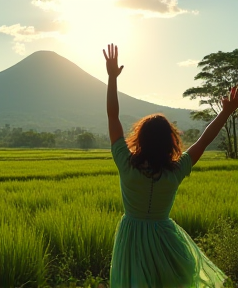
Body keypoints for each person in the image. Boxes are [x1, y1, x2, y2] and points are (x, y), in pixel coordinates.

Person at [102, 43, 238, 288]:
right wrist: (226, 112)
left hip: (131, 240)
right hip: (166, 240)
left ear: (140, 138)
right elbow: (204, 140)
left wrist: (112, 78)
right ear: (170, 141)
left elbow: (113, 116)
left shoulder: (126, 163)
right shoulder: (176, 170)